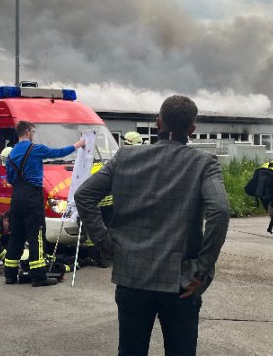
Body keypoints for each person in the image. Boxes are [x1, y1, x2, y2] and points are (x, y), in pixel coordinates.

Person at [75, 95, 231, 356]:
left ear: (158, 123)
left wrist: (106, 243)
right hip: (180, 281)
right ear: (192, 129)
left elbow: (84, 196)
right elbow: (221, 210)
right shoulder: (204, 164)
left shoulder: (125, 157)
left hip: (132, 278)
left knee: (131, 350)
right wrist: (202, 269)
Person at [3, 121, 85, 287]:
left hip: (16, 197)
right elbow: (58, 153)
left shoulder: (11, 154)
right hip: (31, 196)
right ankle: (39, 277)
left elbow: (10, 179)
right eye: (32, 130)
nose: (33, 133)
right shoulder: (35, 149)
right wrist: (78, 145)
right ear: (26, 131)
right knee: (36, 235)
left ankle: (10, 275)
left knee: (16, 235)